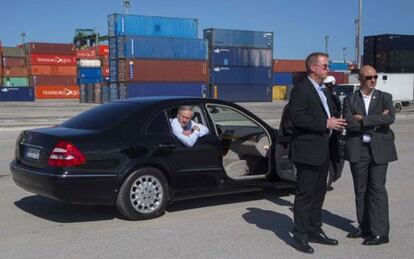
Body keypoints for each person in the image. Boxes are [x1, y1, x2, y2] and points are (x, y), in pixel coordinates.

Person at [289, 52, 347, 254]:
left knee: (319, 193)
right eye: (324, 66)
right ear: (313, 67)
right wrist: (325, 123)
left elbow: (331, 113)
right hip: (308, 151)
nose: (327, 68)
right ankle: (300, 234)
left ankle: (314, 228)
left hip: (324, 150)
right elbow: (297, 118)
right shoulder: (301, 89)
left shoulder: (324, 90)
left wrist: (337, 122)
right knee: (305, 195)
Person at [342, 65, 397, 245]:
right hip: (359, 149)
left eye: (375, 77)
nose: (373, 80)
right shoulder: (349, 100)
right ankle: (364, 227)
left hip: (380, 149)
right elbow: (349, 123)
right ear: (360, 79)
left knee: (377, 189)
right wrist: (376, 120)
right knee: (360, 189)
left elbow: (390, 118)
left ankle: (381, 232)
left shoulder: (384, 98)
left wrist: (364, 119)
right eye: (369, 78)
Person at [323, 75, 344, 191]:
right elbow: (335, 112)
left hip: (331, 129)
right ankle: (329, 177)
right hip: (331, 131)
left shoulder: (325, 94)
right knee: (332, 156)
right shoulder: (330, 95)